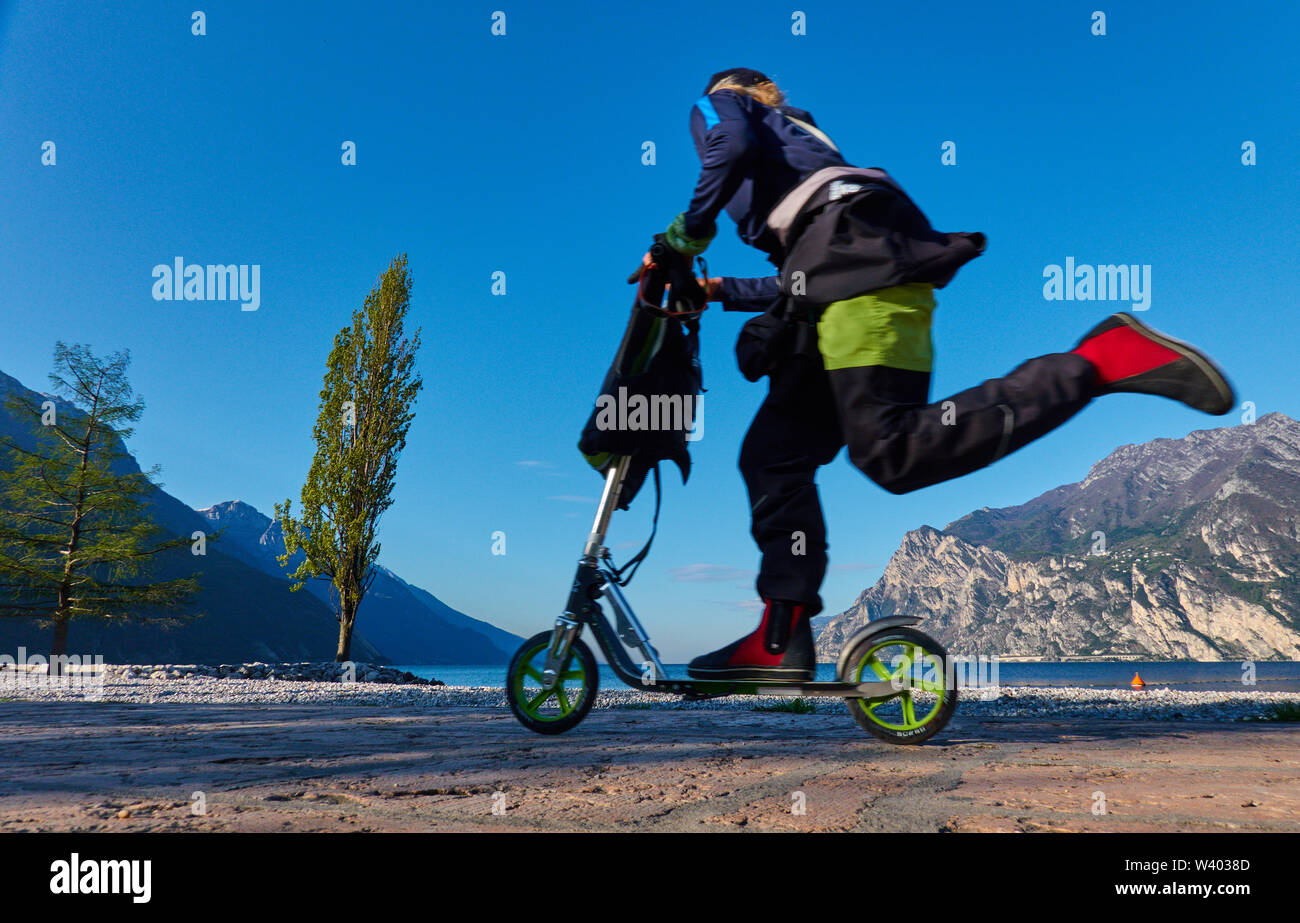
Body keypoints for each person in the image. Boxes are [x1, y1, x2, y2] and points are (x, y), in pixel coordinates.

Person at [645, 68, 1235, 682]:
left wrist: (683, 238)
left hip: (862, 283)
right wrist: (714, 289)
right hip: (851, 280)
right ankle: (781, 634)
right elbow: (808, 270)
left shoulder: (722, 104)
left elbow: (730, 146)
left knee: (891, 452)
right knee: (774, 455)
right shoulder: (808, 151)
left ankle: (1097, 362)